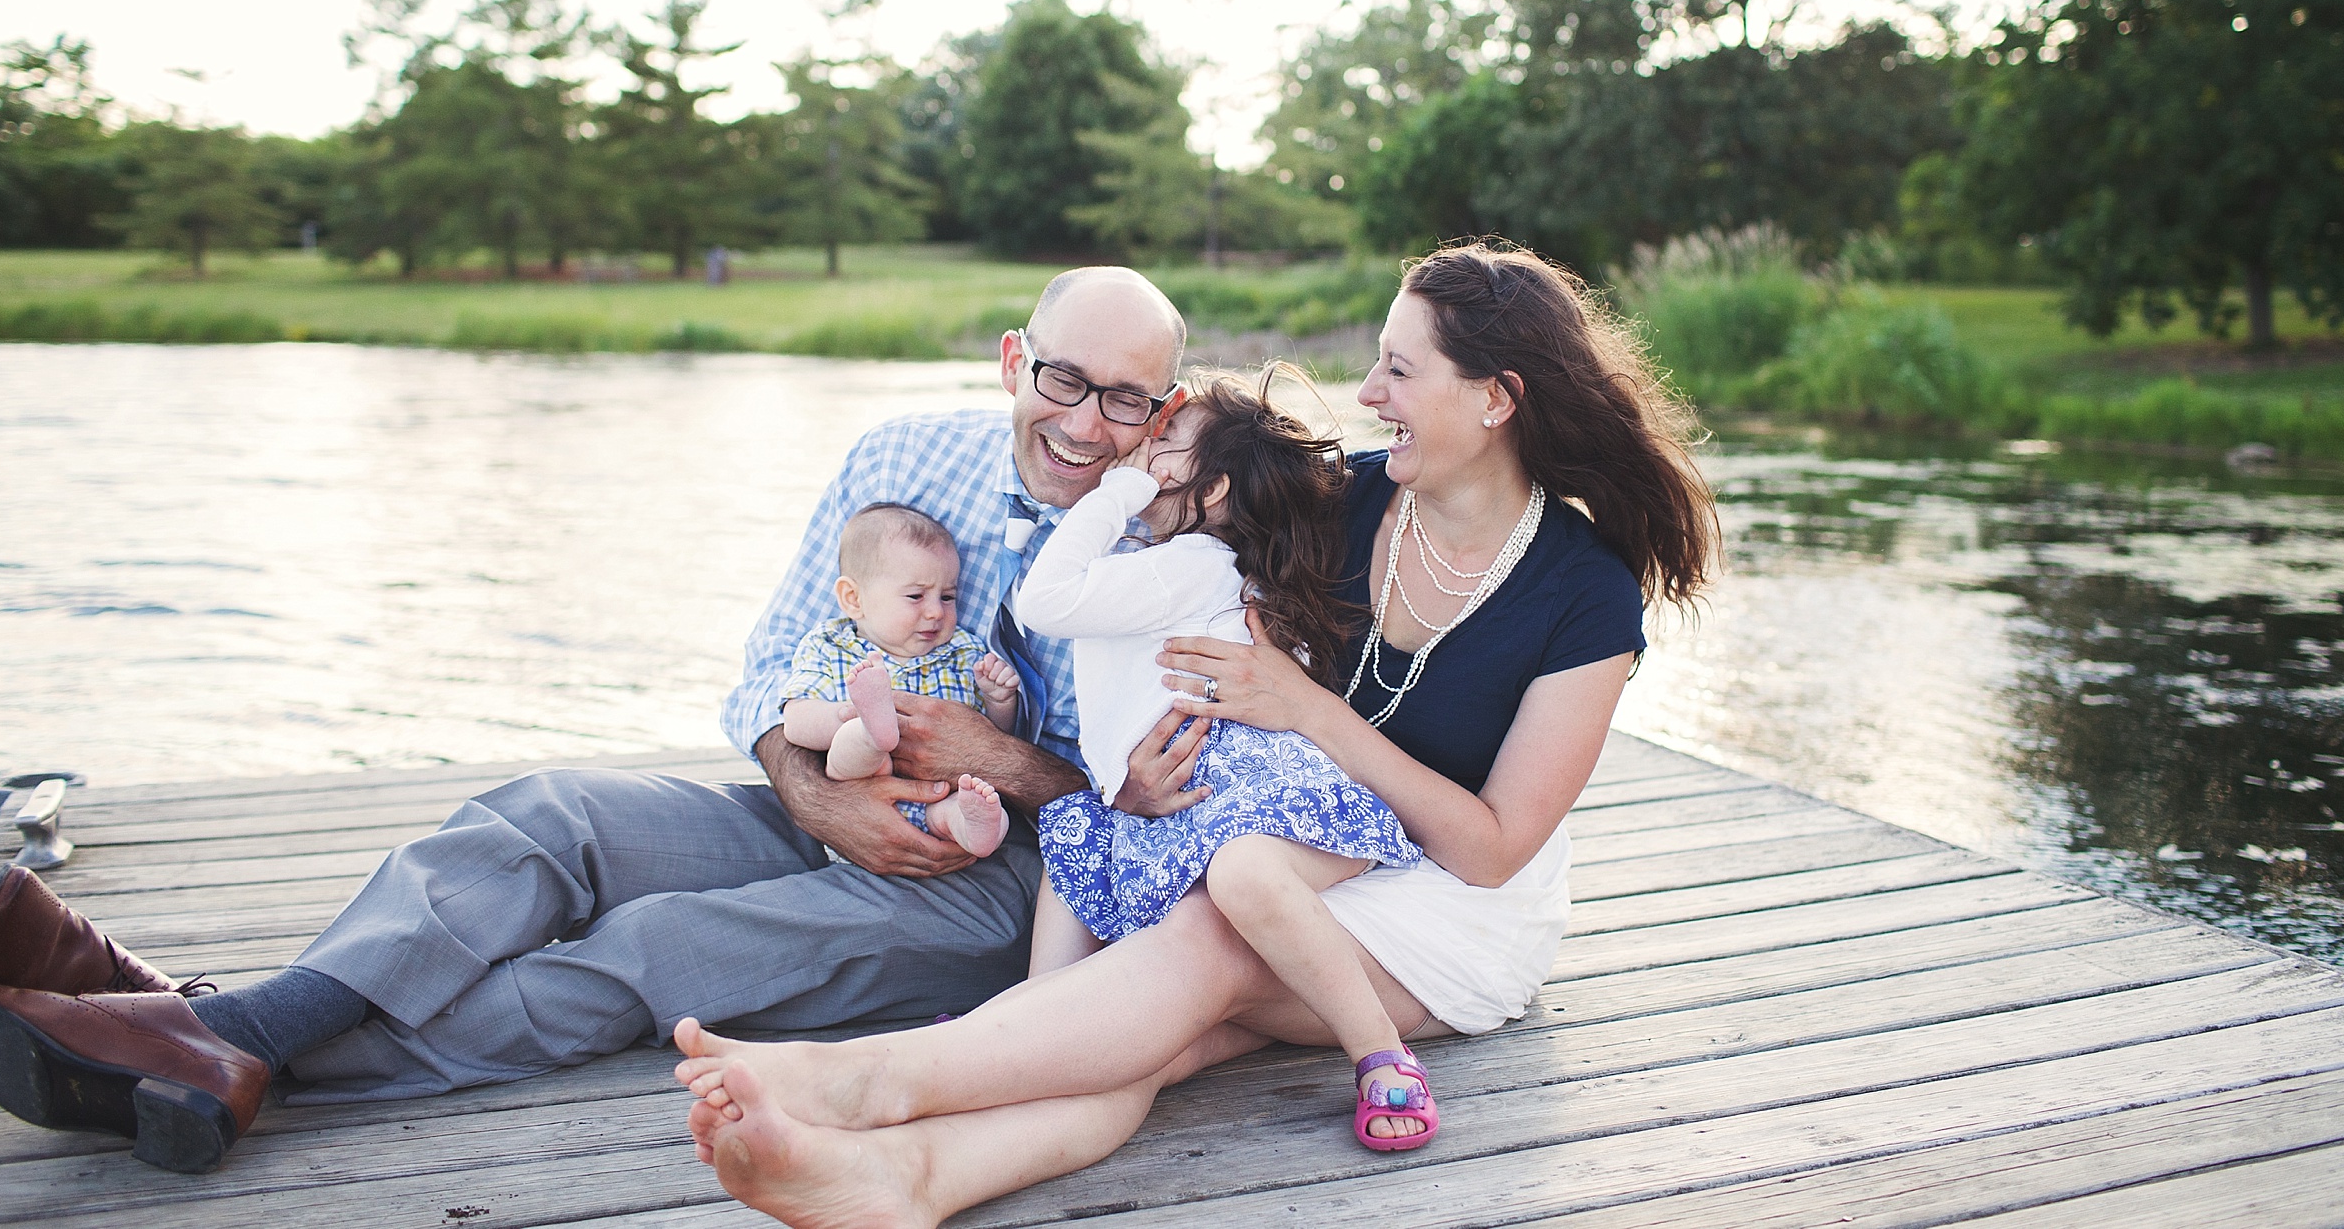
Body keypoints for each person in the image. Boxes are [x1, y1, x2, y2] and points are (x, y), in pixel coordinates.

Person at [0, 266, 1209, 1173]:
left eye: (1126, 400)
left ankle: (197, 1023)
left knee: (660, 945)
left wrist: (1005, 762)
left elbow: (1178, 802)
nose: (1087, 425)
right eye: (1063, 380)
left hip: (1020, 895)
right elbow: (771, 662)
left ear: (1164, 412)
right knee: (548, 815)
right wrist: (810, 785)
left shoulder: (1194, 548)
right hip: (823, 798)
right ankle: (211, 1031)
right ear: (1012, 361)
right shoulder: (902, 456)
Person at [667, 240, 1718, 1225]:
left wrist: (1301, 708)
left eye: (1398, 371)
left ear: (1494, 398)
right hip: (1299, 848)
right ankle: (911, 1180)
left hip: (1456, 909)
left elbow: (1491, 851)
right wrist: (1131, 768)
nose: (1367, 396)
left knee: (1207, 936)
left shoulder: (1582, 594)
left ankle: (856, 1084)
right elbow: (1177, 530)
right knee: (1157, 1036)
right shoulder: (1340, 500)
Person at [1013, 370, 1434, 1149]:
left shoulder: (1192, 564)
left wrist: (1113, 494)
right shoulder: (1196, 568)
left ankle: (1381, 1054)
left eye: (1166, 442)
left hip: (1242, 784)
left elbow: (1043, 601)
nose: (1143, 450)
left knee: (1231, 874)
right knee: (1073, 842)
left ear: (1211, 495)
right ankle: (1021, 1029)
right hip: (1183, 790)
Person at [773, 502, 1021, 858]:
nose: (936, 611)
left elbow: (994, 737)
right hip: (862, 796)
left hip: (939, 792)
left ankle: (975, 827)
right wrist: (844, 715)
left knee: (961, 803)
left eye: (947, 596)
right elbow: (795, 723)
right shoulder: (831, 646)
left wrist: (999, 701)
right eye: (916, 596)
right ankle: (872, 730)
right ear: (853, 599)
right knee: (851, 744)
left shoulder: (963, 651)